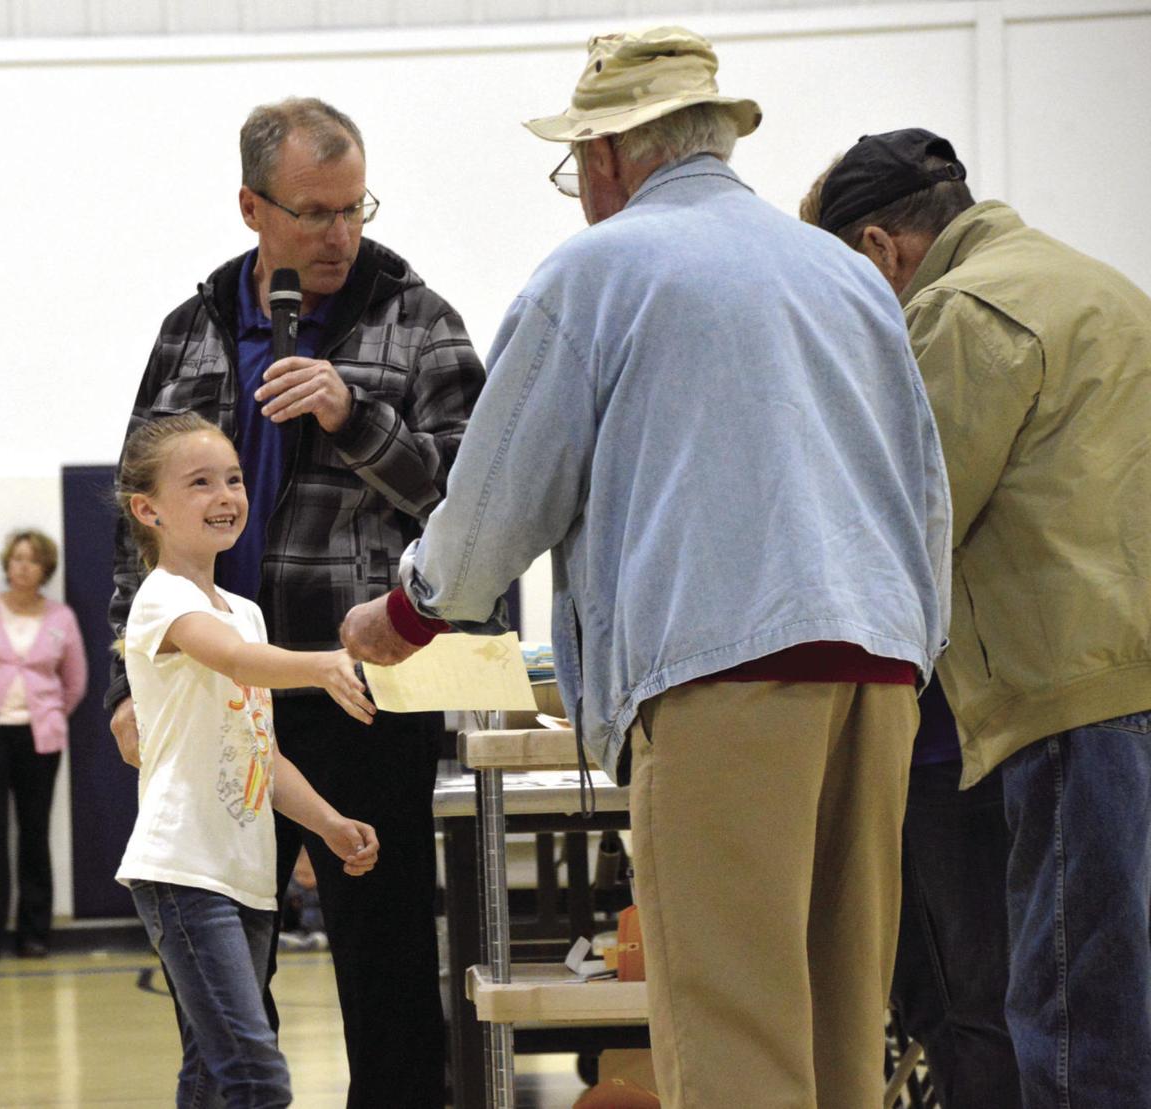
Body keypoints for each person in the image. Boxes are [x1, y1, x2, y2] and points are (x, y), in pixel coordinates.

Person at [339, 28, 951, 1109]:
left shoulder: (599, 270)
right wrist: (916, 648)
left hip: (724, 678)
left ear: (609, 154)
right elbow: (924, 487)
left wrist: (414, 609)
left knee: (733, 1029)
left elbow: (498, 490)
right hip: (881, 671)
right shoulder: (843, 273)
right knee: (841, 1023)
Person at [105, 97, 485, 1106]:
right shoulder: (191, 329)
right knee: (224, 981)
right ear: (252, 207)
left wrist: (356, 416)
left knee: (388, 968)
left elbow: (474, 501)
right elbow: (134, 523)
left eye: (354, 207)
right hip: (215, 694)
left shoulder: (421, 321)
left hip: (364, 690)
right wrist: (124, 682)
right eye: (313, 212)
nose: (339, 233)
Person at [801, 128, 1151, 1108]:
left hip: (1067, 697)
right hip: (1125, 679)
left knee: (1070, 1021)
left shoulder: (961, 312)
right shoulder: (1098, 285)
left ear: (880, 250)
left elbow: (905, 520)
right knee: (1121, 1006)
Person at [113, 412, 380, 1108]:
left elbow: (264, 752)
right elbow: (231, 658)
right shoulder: (161, 599)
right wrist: (322, 664)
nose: (226, 495)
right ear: (148, 510)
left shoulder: (245, 610)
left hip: (247, 877)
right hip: (183, 871)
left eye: (233, 479)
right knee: (257, 1076)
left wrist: (327, 823)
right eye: (200, 482)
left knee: (210, 1074)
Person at [0, 528, 87, 961]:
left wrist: (48, 715)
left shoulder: (61, 619)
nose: (23, 567)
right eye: (17, 559)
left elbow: (75, 682)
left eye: (32, 560)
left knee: (34, 832)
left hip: (39, 739)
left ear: (45, 569)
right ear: (7, 564)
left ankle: (34, 933)